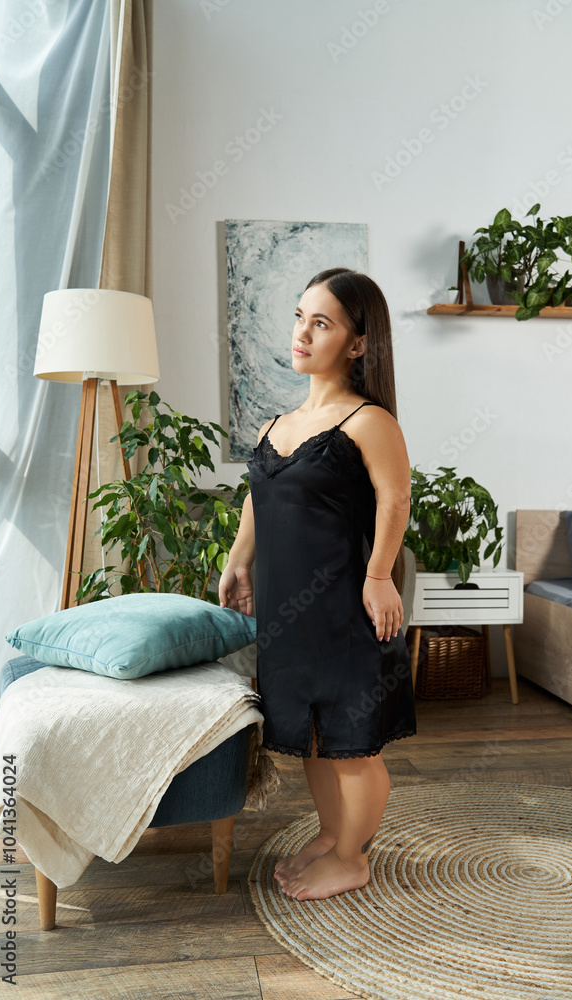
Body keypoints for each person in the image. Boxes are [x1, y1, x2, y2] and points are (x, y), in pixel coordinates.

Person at [219, 267, 416, 901]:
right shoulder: (275, 425)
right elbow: (258, 497)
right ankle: (334, 836)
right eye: (300, 316)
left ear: (358, 343)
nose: (303, 332)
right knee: (312, 736)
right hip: (287, 614)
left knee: (352, 743)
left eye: (322, 322)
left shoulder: (368, 421)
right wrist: (238, 559)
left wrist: (381, 575)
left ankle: (354, 856)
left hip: (345, 611)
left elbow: (396, 499)